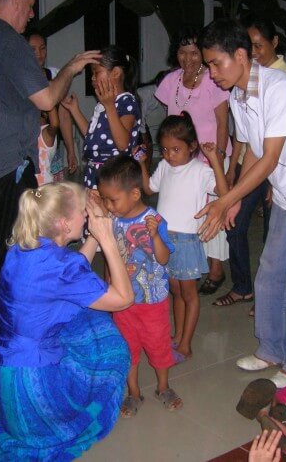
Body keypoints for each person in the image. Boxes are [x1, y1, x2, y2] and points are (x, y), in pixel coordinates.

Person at [197, 19, 286, 388]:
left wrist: (226, 199)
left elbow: (270, 158)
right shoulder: (237, 96)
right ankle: (271, 349)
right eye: (209, 65)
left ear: (240, 56)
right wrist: (235, 199)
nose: (212, 73)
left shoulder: (280, 88)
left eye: (215, 63)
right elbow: (251, 152)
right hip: (285, 192)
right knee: (271, 271)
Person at [0, 0, 100, 347]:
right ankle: (3, 324)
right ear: (18, 1)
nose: (31, 15)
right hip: (5, 164)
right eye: (31, 7)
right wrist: (71, 68)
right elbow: (47, 99)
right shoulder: (8, 42)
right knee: (12, 245)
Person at [0, 182, 133, 461]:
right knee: (109, 344)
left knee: (84, 318)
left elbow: (71, 273)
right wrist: (108, 240)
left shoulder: (23, 246)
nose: (86, 215)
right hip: (28, 381)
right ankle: (51, 419)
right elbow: (123, 299)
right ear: (64, 224)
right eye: (82, 211)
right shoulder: (61, 267)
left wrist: (93, 236)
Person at [214, 16, 286, 309]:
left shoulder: (283, 82)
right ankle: (245, 288)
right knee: (237, 224)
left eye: (258, 46)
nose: (254, 52)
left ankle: (272, 298)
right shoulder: (239, 91)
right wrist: (234, 190)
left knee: (277, 244)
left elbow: (275, 153)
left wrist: (229, 198)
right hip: (260, 168)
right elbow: (250, 144)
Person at [134, 113, 228, 361]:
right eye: (165, 150)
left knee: (189, 294)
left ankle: (186, 342)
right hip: (163, 239)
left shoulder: (200, 170)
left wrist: (215, 161)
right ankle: (177, 336)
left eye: (176, 149)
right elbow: (149, 188)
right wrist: (143, 164)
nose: (169, 155)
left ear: (192, 146)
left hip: (186, 242)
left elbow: (223, 192)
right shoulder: (165, 167)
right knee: (175, 291)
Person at [95, 155, 181, 416]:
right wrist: (109, 284)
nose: (108, 205)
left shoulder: (154, 220)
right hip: (123, 301)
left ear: (134, 194)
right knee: (127, 348)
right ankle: (133, 393)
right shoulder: (111, 222)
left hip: (152, 301)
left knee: (159, 346)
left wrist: (155, 236)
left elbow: (164, 259)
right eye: (105, 199)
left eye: (112, 199)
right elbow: (110, 257)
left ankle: (163, 387)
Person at [155, 26, 231, 296]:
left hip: (211, 157)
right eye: (182, 52)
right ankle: (191, 264)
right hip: (181, 160)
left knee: (212, 214)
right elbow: (170, 121)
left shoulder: (213, 80)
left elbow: (223, 122)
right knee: (189, 215)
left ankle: (216, 269)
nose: (188, 59)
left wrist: (217, 158)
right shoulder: (170, 81)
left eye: (194, 53)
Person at [61, 45, 141, 189]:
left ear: (115, 73)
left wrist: (109, 107)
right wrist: (74, 110)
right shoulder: (103, 104)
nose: (92, 78)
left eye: (96, 72)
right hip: (95, 172)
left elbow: (123, 144)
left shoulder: (126, 101)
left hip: (114, 176)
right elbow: (92, 135)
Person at [26, 32, 78, 182]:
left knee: (52, 188)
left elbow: (64, 114)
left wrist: (71, 150)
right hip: (26, 144)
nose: (39, 54)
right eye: (33, 49)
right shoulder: (18, 78)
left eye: (42, 48)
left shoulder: (54, 76)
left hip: (50, 142)